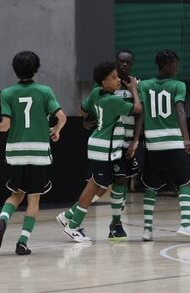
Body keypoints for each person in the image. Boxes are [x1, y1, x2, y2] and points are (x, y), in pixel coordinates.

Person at [0, 51, 67, 255]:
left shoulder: (7, 93)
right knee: (34, 198)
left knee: (15, 195)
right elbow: (62, 117)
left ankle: (3, 219)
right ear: (36, 69)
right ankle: (22, 242)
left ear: (14, 70)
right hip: (39, 153)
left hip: (17, 153)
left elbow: (6, 124)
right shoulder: (45, 91)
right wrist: (56, 130)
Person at [56, 50, 140, 240]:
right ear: (104, 82)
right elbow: (138, 108)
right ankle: (73, 226)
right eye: (113, 77)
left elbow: (81, 111)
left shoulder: (95, 92)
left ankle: (68, 216)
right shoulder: (113, 100)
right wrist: (134, 89)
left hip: (100, 145)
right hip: (103, 148)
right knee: (93, 188)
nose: (118, 79)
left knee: (101, 187)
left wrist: (89, 119)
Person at [127, 50, 190, 242]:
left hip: (153, 145)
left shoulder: (144, 85)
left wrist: (136, 140)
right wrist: (186, 138)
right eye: (175, 65)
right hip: (173, 142)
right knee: (185, 182)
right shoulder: (178, 85)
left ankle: (147, 230)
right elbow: (180, 110)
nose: (177, 68)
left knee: (151, 185)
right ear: (167, 65)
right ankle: (185, 225)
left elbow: (141, 115)